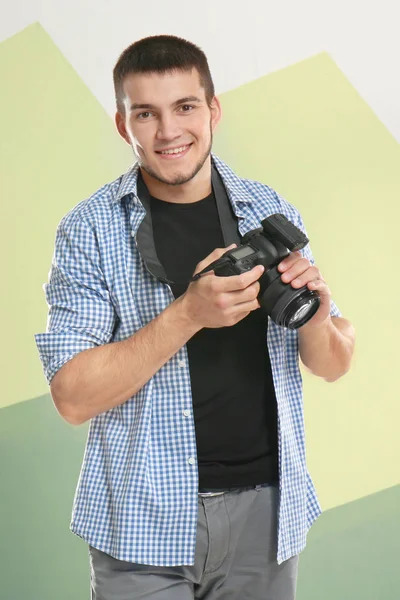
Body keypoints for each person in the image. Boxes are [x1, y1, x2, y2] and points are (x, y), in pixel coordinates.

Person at [35, 34, 355, 600]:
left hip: (267, 516)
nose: (169, 131)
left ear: (213, 110)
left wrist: (316, 316)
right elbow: (72, 397)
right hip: (141, 520)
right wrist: (187, 313)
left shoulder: (268, 210)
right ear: (122, 125)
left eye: (185, 107)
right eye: (146, 113)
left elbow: (334, 363)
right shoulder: (89, 229)